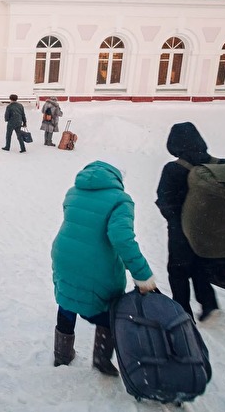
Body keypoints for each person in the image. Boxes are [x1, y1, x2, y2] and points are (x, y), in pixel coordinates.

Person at [51, 160, 156, 376]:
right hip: (96, 262)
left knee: (68, 301)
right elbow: (122, 238)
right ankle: (101, 359)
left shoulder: (73, 192)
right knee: (108, 310)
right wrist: (143, 276)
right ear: (117, 179)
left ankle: (62, 355)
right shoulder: (121, 200)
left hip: (65, 255)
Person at [155, 122, 221, 322]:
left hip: (182, 230)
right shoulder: (220, 164)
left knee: (178, 270)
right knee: (201, 266)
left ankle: (183, 311)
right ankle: (209, 304)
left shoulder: (173, 169)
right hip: (213, 230)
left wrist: (176, 220)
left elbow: (164, 199)